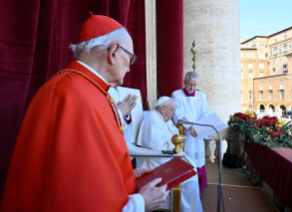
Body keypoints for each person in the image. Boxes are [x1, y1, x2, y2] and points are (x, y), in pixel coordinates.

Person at [0, 14, 169, 212]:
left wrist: (126, 177)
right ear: (113, 51)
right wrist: (141, 203)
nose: (130, 68)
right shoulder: (77, 97)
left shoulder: (79, 88)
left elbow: (86, 170)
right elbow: (83, 198)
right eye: (130, 58)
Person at [136, 97, 203, 212]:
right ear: (163, 109)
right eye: (172, 110)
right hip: (155, 161)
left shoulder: (164, 119)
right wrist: (172, 144)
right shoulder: (152, 120)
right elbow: (158, 148)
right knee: (190, 178)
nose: (173, 113)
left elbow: (174, 133)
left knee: (192, 171)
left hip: (164, 156)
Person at [171, 72, 212, 192]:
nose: (192, 88)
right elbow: (177, 114)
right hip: (184, 134)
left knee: (197, 158)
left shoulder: (201, 96)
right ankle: (185, 186)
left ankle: (198, 186)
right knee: (186, 158)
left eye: (195, 85)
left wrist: (199, 127)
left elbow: (206, 113)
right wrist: (190, 126)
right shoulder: (176, 95)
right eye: (190, 84)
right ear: (184, 82)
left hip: (197, 133)